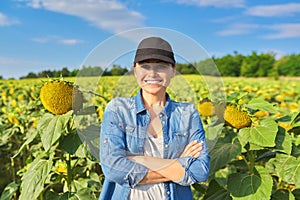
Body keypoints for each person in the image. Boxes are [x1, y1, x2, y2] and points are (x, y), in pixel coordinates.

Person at [99, 36, 210, 200]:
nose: (152, 73)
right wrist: (179, 163)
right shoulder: (118, 110)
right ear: (135, 70)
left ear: (173, 70)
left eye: (161, 66)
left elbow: (200, 171)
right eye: (145, 66)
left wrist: (139, 159)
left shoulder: (188, 113)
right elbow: (113, 168)